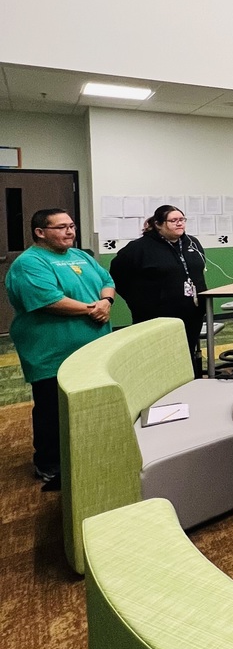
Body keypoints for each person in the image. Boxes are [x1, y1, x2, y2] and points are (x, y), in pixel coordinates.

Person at [5, 208, 116, 487]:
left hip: (94, 348)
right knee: (53, 410)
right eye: (61, 227)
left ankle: (85, 454)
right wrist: (94, 309)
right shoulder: (29, 263)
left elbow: (107, 281)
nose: (70, 232)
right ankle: (50, 465)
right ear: (40, 232)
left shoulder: (80, 256)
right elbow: (49, 300)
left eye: (72, 226)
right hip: (52, 353)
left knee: (90, 404)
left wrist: (107, 302)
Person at [109, 205, 207, 373]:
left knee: (185, 353)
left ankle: (188, 386)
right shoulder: (139, 248)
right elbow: (116, 274)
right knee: (159, 360)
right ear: (158, 224)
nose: (179, 224)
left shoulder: (192, 242)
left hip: (192, 312)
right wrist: (136, 301)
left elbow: (198, 271)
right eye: (173, 221)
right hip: (155, 315)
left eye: (182, 220)